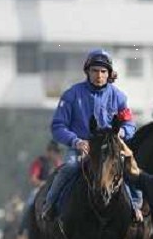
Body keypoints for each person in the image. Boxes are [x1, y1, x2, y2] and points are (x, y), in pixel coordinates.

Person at [41, 49, 143, 222]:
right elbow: (57, 126)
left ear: (109, 73)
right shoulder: (71, 95)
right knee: (69, 168)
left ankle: (135, 207)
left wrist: (122, 132)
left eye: (103, 71)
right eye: (95, 70)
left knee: (127, 169)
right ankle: (49, 206)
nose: (99, 75)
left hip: (109, 149)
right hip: (81, 149)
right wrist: (76, 141)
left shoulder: (119, 97)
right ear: (87, 71)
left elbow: (129, 124)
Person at [18, 141, 63, 237]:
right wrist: (43, 183)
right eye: (54, 152)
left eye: (57, 152)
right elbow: (33, 179)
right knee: (29, 204)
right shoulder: (40, 162)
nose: (56, 154)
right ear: (49, 151)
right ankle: (23, 229)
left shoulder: (60, 164)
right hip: (41, 188)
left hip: (56, 189)